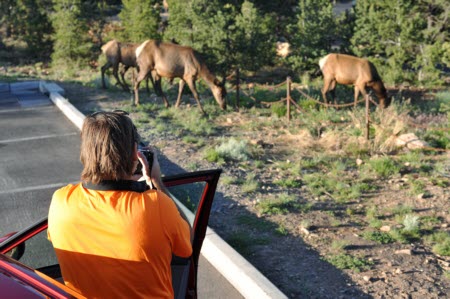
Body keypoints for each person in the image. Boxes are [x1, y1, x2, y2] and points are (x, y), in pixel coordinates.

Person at [48, 110, 192, 298]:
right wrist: (156, 182)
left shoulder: (61, 202)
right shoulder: (157, 206)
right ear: (134, 153)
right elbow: (187, 245)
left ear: (85, 152)